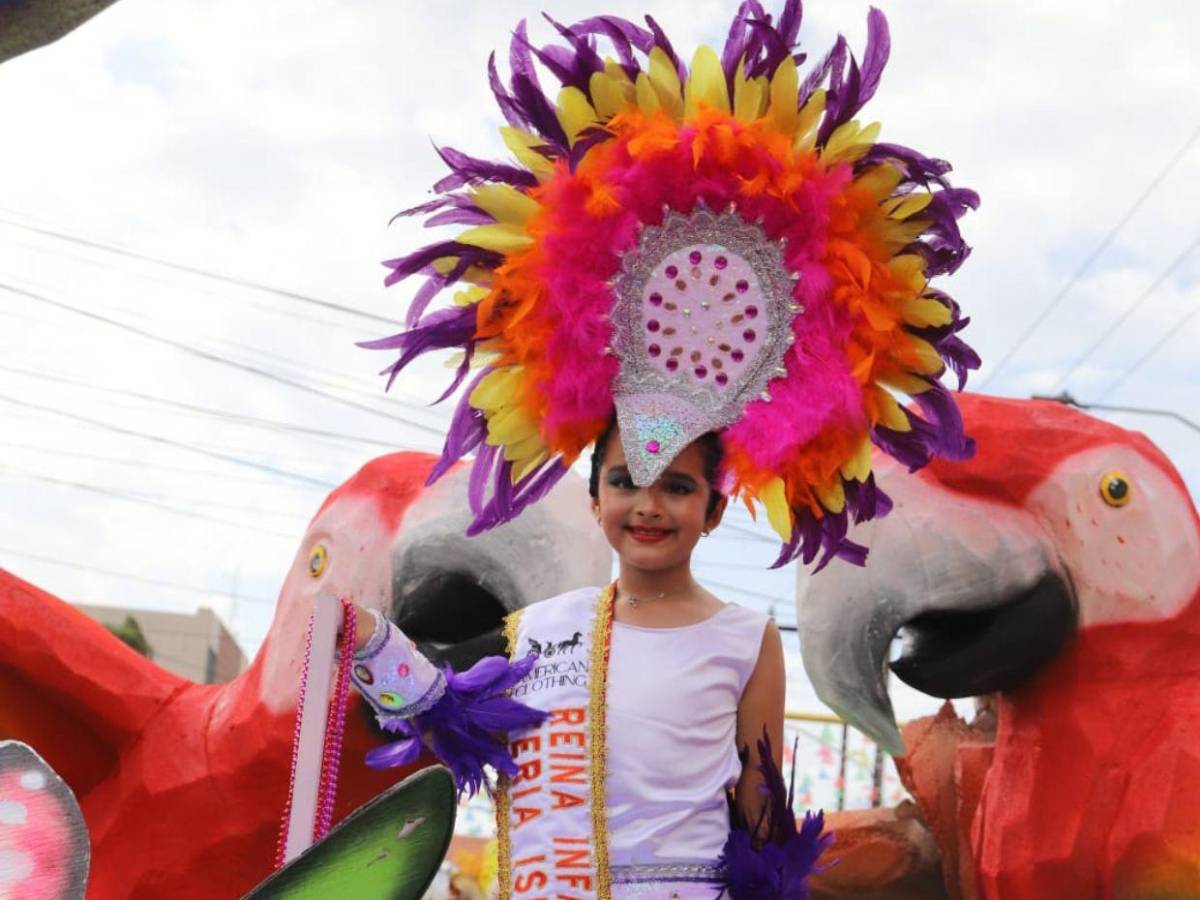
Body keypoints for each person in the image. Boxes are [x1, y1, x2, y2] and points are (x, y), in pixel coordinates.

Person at [345, 1, 979, 896]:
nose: (649, 505)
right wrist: (365, 644)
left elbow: (760, 816)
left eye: (677, 488)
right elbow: (457, 724)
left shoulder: (746, 638)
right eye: (626, 482)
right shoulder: (540, 634)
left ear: (715, 508)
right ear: (595, 496)